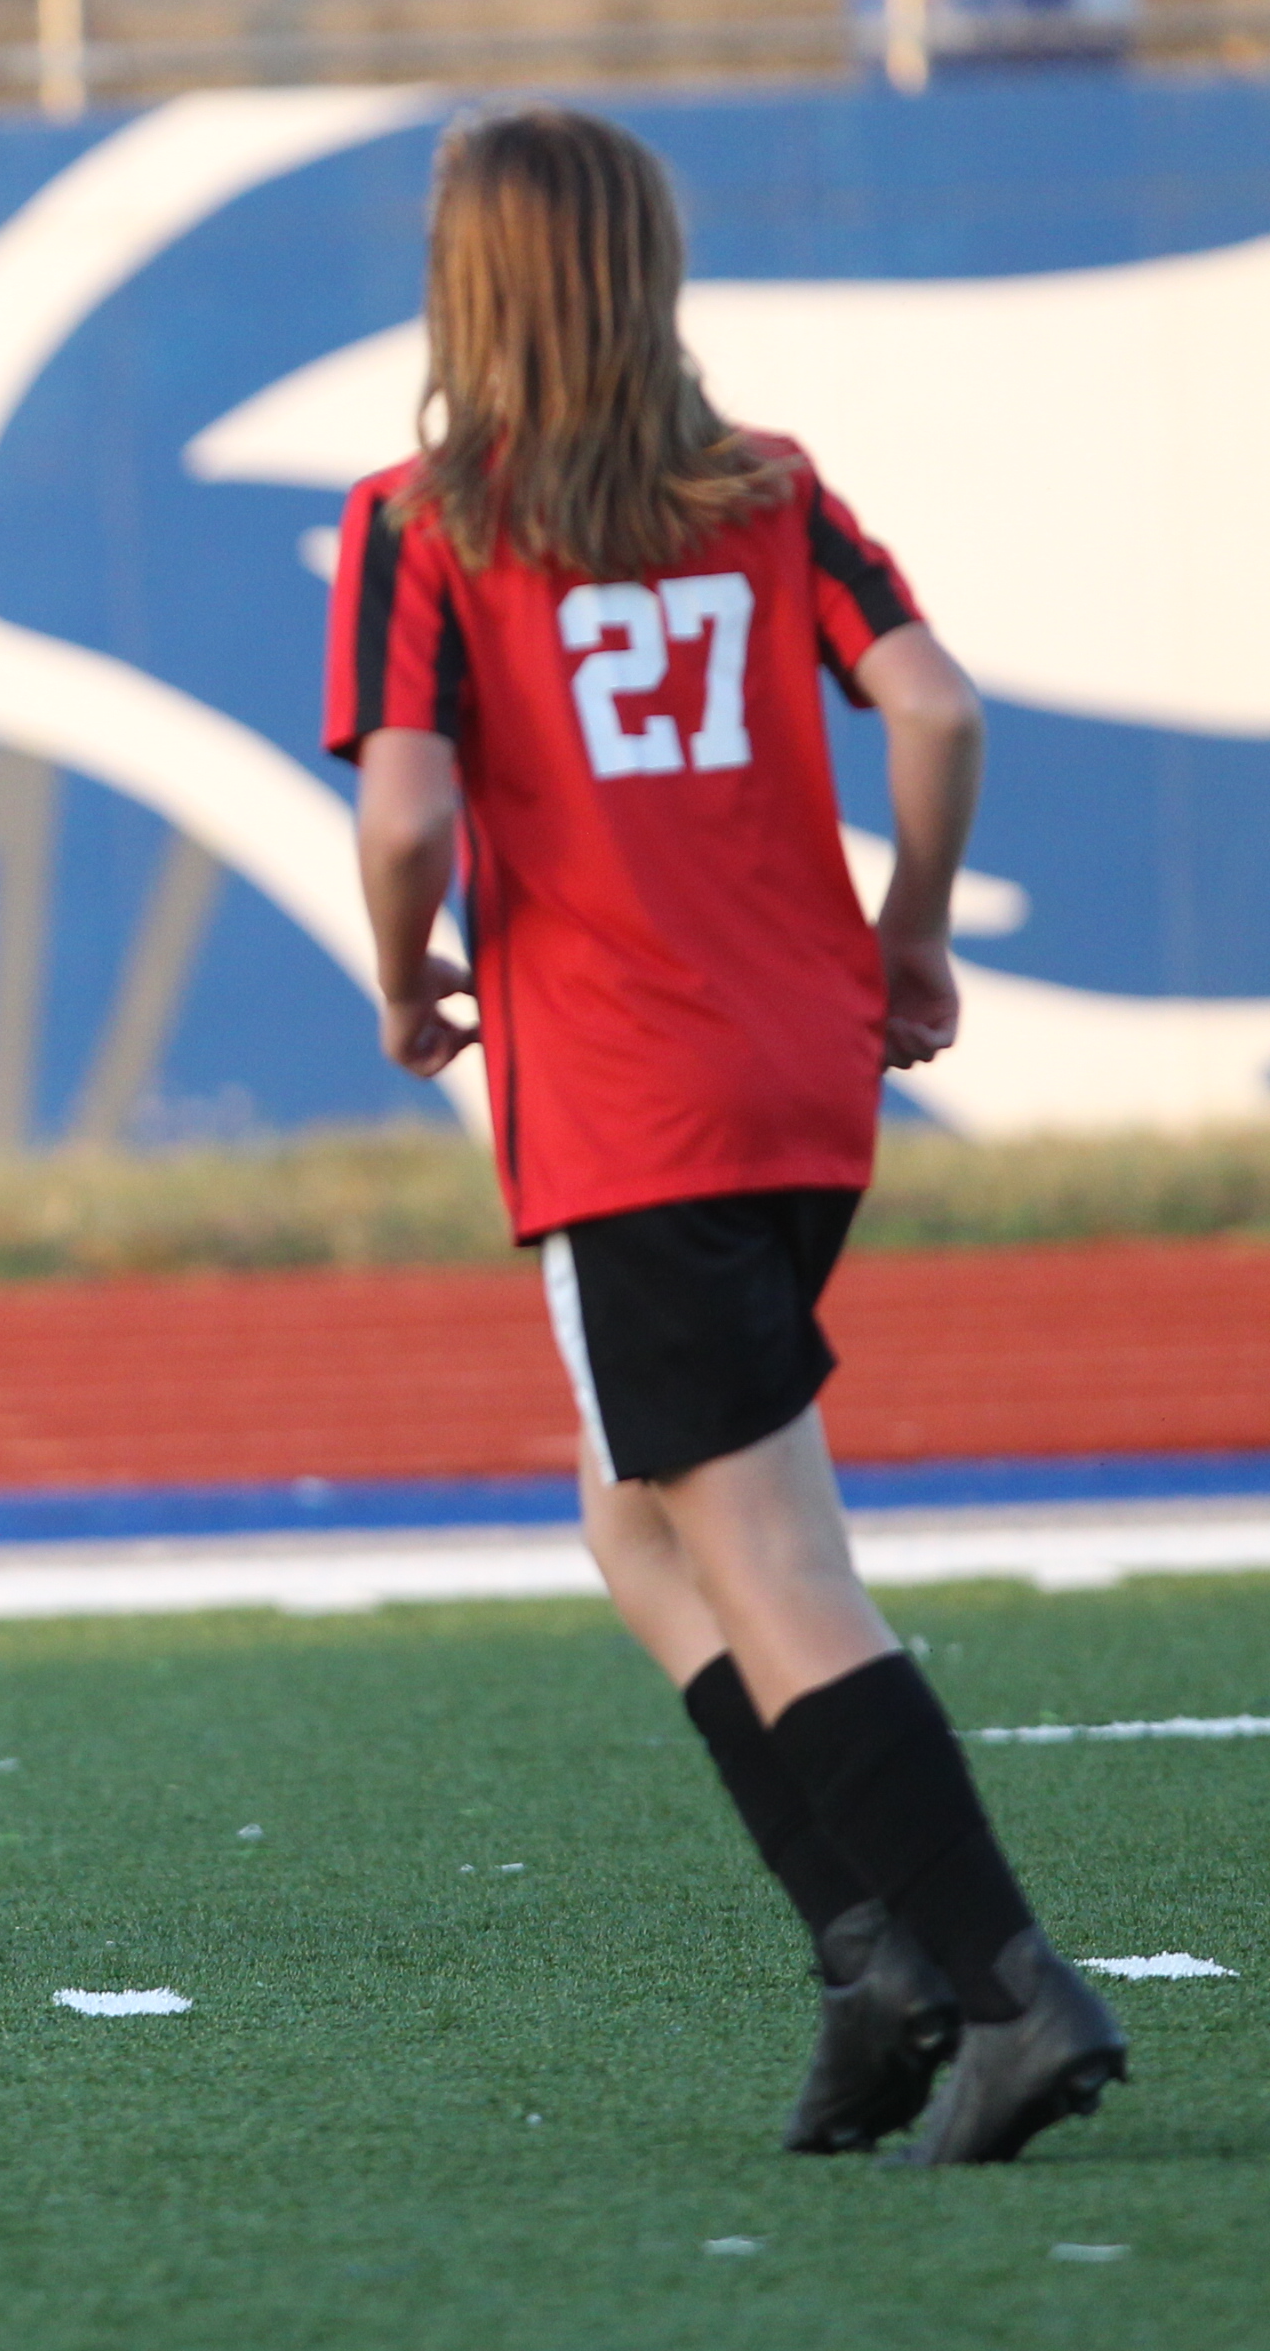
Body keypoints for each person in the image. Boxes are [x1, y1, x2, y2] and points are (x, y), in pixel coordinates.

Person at [326, 104, 1122, 2165]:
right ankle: (869, 1952)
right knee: (639, 1519)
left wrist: (405, 977)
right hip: (803, 1072)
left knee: (765, 1557)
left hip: (629, 1101)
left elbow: (406, 809)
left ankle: (998, 1984)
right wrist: (912, 932)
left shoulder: (428, 521)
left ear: (469, 286)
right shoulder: (769, 492)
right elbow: (935, 707)